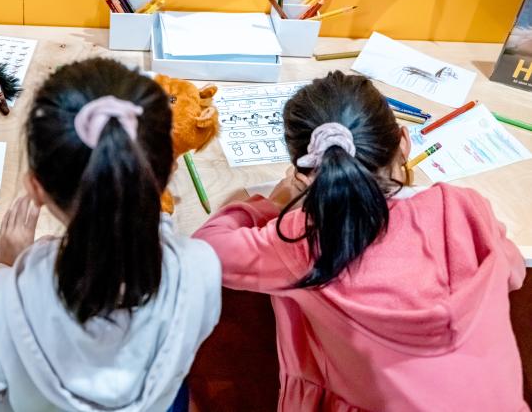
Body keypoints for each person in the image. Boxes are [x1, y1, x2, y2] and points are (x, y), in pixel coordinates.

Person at [194, 71, 527, 412]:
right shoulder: (462, 207)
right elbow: (513, 272)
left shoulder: (306, 238)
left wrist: (273, 204)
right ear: (403, 142)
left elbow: (205, 251)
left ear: (305, 171)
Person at [0, 58, 222, 412]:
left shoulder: (4, 299)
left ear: (36, 189)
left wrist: (0, 269)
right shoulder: (201, 267)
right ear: (168, 169)